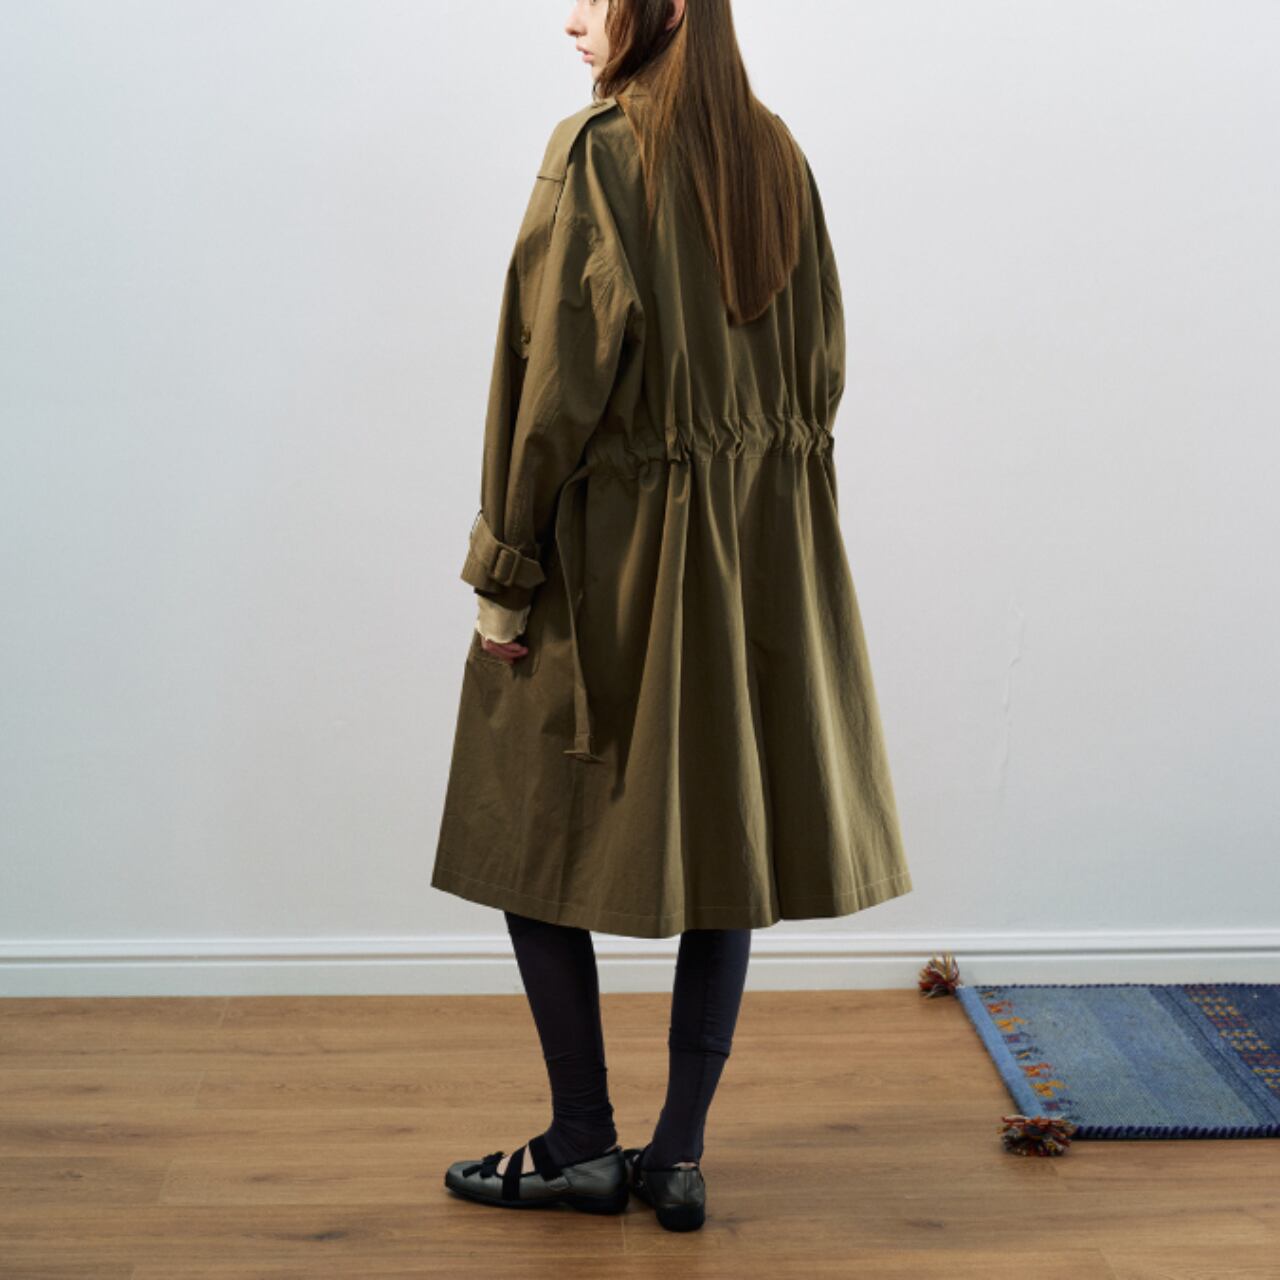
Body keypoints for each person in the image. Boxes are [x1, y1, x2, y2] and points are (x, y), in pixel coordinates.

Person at [437, 0, 914, 1230]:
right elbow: (823, 369)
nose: (569, 21)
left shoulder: (598, 152)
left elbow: (549, 386)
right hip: (760, 556)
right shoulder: (774, 152)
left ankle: (581, 1142)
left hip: (620, 556)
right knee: (725, 840)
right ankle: (680, 1152)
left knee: (522, 823)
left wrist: (505, 568)